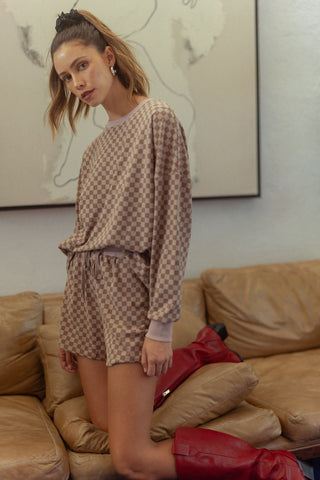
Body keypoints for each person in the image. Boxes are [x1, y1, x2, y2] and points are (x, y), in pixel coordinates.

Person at [47, 9, 306, 480]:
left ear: (108, 57)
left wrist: (160, 327)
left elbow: (172, 228)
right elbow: (82, 244)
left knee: (131, 459)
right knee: (105, 422)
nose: (76, 83)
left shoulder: (157, 119)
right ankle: (204, 350)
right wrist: (70, 325)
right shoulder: (92, 152)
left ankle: (276, 469)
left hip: (128, 294)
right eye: (66, 76)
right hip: (85, 299)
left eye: (81, 66)